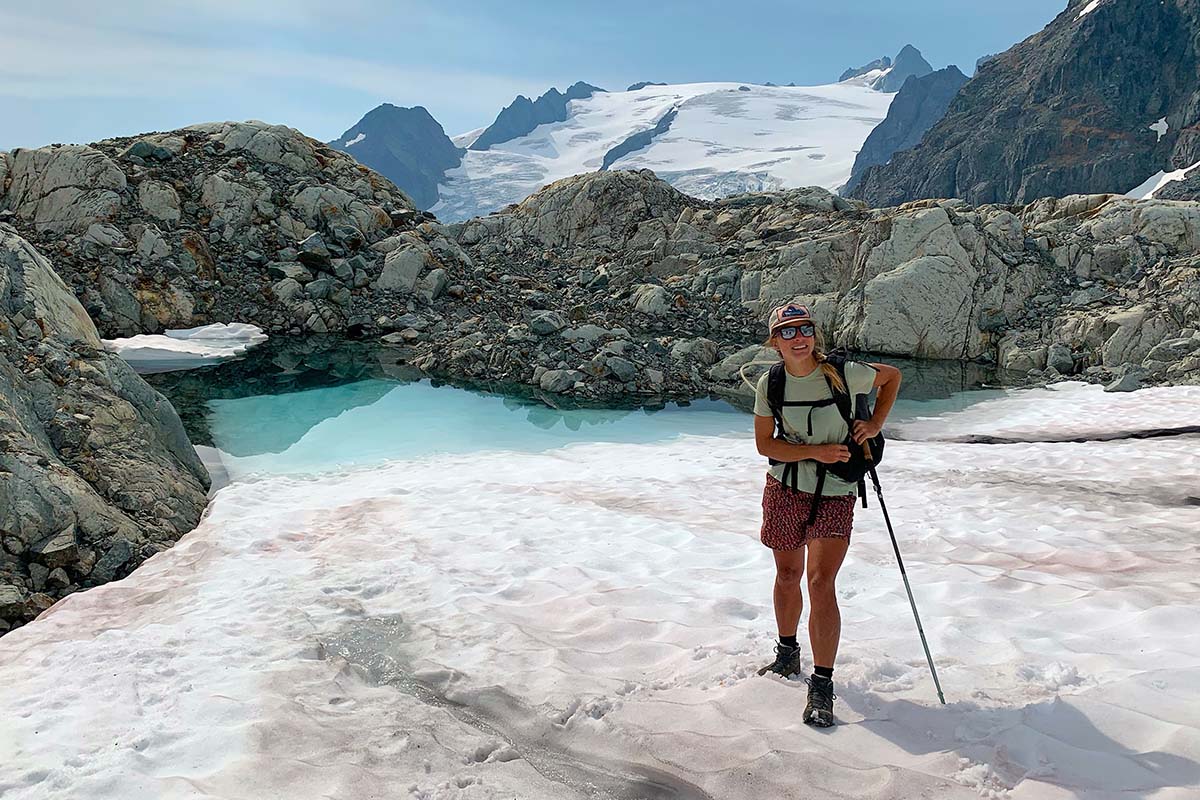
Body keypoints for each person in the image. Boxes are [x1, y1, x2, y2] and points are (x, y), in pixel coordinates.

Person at [751, 302, 901, 727]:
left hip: (836, 491)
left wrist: (873, 425)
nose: (799, 339)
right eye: (788, 332)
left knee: (820, 581)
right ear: (775, 342)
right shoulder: (771, 383)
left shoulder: (842, 373)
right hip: (785, 488)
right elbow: (766, 446)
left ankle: (822, 683)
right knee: (785, 575)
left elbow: (891, 377)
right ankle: (786, 654)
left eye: (805, 330)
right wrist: (814, 451)